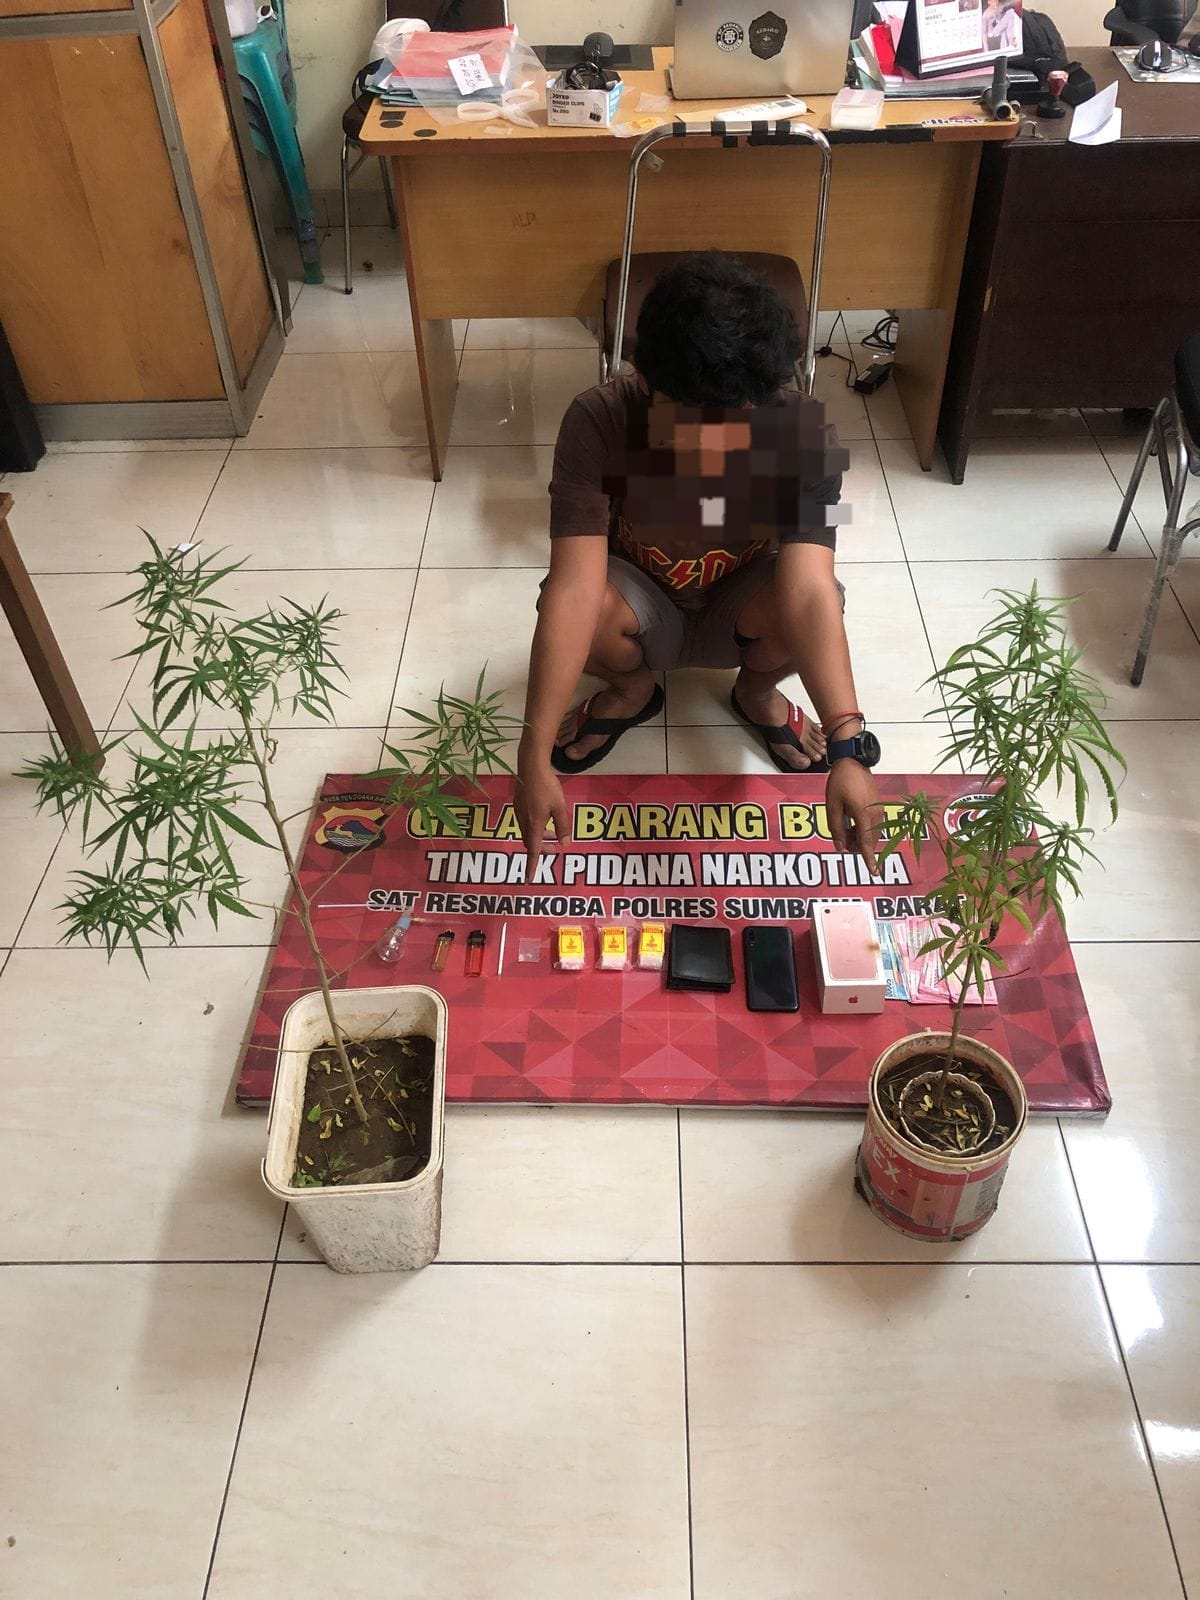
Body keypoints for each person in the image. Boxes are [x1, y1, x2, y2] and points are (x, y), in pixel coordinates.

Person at [515, 251, 884, 872]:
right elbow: (573, 590)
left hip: (740, 604)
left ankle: (756, 691)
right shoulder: (598, 419)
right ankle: (633, 690)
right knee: (571, 597)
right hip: (640, 602)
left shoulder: (805, 431)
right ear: (643, 379)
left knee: (823, 601)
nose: (712, 442)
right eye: (686, 421)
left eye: (736, 421)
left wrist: (848, 744)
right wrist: (532, 750)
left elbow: (810, 591)